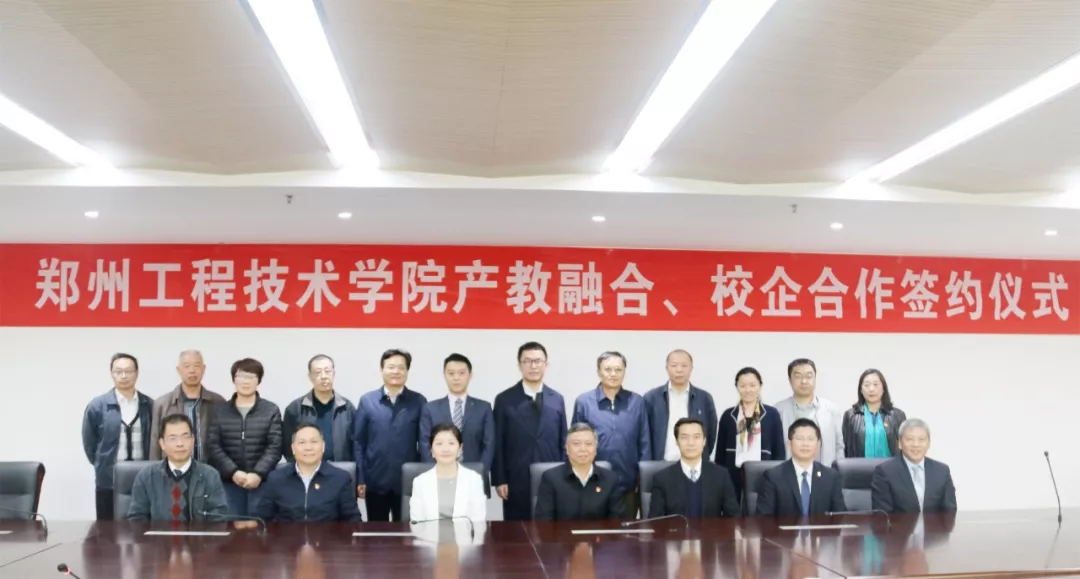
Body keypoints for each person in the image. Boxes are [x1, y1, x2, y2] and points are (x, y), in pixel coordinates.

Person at [491, 342, 567, 520]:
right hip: (515, 478)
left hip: (551, 476)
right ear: (519, 365)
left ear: (546, 364)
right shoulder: (504, 399)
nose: (533, 366)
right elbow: (498, 443)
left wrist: (564, 477)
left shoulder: (557, 399)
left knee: (550, 530)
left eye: (538, 361)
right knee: (517, 531)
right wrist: (500, 479)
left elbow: (563, 441)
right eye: (527, 361)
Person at [571, 351, 650, 517]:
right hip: (591, 484)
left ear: (624, 372)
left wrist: (642, 479)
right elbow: (575, 445)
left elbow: (645, 443)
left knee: (626, 532)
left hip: (629, 485)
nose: (613, 374)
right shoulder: (584, 402)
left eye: (618, 369)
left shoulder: (637, 402)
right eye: (608, 369)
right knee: (593, 531)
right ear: (599, 371)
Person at [353, 348, 428, 521]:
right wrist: (361, 478)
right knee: (377, 533)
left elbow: (425, 442)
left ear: (407, 371)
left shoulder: (419, 401)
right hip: (375, 480)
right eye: (391, 367)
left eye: (401, 367)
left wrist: (425, 477)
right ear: (382, 370)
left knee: (408, 532)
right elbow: (358, 442)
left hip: (409, 482)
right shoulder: (367, 401)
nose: (396, 371)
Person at [206, 358, 283, 516]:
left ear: (259, 380)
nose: (245, 381)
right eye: (241, 376)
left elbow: (275, 446)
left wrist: (258, 473)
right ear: (233, 379)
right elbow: (213, 446)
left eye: (251, 377)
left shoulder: (270, 410)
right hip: (228, 482)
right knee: (232, 526)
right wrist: (233, 472)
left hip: (262, 483)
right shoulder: (220, 410)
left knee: (260, 526)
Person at [82, 353, 154, 520]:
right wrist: (102, 464)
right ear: (111, 373)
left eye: (128, 371)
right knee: (106, 528)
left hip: (143, 477)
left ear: (137, 373)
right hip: (108, 480)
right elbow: (89, 443)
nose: (123, 376)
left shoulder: (148, 405)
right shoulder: (97, 406)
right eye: (118, 371)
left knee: (143, 526)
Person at [127, 413, 228, 522]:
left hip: (199, 534)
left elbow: (218, 519)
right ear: (162, 443)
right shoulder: (146, 477)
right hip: (158, 533)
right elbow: (137, 520)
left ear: (193, 440)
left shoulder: (210, 476)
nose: (180, 443)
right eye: (173, 438)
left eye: (185, 437)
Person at [256, 424, 362, 522]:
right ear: (293, 449)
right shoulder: (276, 479)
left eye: (314, 442)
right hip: (287, 536)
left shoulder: (340, 478)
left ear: (323, 446)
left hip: (328, 536)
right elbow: (261, 519)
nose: (308, 448)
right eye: (302, 442)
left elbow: (353, 520)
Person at [419, 353, 495, 476]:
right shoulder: (430, 409)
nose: (456, 378)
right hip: (438, 476)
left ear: (470, 375)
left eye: (461, 373)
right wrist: (435, 473)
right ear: (444, 375)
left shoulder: (484, 408)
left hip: (475, 475)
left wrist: (480, 473)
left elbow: (489, 444)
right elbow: (424, 444)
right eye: (451, 373)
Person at [649, 418, 740, 518]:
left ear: (704, 441)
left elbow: (733, 518)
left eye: (696, 437)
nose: (691, 443)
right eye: (684, 437)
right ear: (677, 442)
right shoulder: (662, 479)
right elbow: (655, 522)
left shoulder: (721, 476)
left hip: (711, 529)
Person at [716, 367, 786, 495]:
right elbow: (720, 453)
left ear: (760, 386)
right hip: (732, 475)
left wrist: (778, 479)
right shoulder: (728, 415)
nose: (748, 390)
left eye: (752, 385)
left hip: (763, 475)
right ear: (737, 387)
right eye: (743, 386)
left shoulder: (771, 414)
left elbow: (779, 451)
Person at [756, 418, 846, 516]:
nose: (805, 444)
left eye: (810, 439)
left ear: (818, 445)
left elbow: (840, 517)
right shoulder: (773, 477)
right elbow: (764, 519)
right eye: (799, 439)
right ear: (789, 444)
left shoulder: (831, 477)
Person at [534, 423, 625, 520]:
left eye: (588, 444)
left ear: (595, 449)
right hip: (563, 531)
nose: (583, 449)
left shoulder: (611, 479)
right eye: (576, 444)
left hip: (599, 531)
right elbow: (544, 522)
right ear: (567, 449)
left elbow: (616, 521)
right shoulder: (550, 478)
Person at [150, 350, 226, 462]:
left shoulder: (218, 402)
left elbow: (225, 440)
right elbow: (155, 445)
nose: (192, 370)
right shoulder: (162, 404)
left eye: (196, 366)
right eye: (187, 366)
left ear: (204, 369)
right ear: (178, 370)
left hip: (210, 468)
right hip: (173, 469)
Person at [643, 349, 718, 461]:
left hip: (694, 464)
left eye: (684, 366)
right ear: (667, 368)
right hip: (661, 463)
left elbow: (710, 434)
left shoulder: (704, 398)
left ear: (691, 368)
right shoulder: (651, 398)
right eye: (674, 365)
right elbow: (644, 434)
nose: (679, 370)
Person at [871, 418, 957, 513]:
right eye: (910, 439)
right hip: (898, 523)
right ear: (900, 443)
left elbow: (950, 512)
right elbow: (882, 516)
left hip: (934, 523)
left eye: (921, 439)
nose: (916, 444)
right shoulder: (884, 472)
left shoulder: (942, 471)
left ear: (929, 443)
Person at [281, 354, 356, 462]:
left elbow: (356, 443)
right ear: (310, 376)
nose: (323, 376)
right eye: (318, 372)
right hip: (307, 469)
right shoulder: (295, 408)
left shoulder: (347, 408)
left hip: (341, 468)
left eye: (327, 371)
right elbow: (288, 446)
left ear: (334, 374)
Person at [408, 424, 487, 523]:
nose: (445, 449)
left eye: (451, 443)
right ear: (431, 450)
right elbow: (417, 523)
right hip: (430, 533)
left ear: (460, 449)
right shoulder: (420, 482)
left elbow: (478, 521)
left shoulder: (474, 480)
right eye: (439, 444)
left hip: (465, 533)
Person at [774, 358, 844, 467]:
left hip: (826, 473)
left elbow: (839, 446)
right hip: (788, 475)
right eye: (798, 376)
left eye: (809, 376)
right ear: (790, 380)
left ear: (815, 378)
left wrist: (837, 473)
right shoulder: (778, 411)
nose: (804, 381)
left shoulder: (831, 410)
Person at [841, 369, 907, 458]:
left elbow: (905, 447)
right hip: (859, 466)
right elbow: (845, 448)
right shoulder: (851, 416)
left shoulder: (897, 415)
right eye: (866, 385)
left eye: (876, 384)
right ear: (861, 390)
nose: (871, 389)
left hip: (891, 466)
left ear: (883, 388)